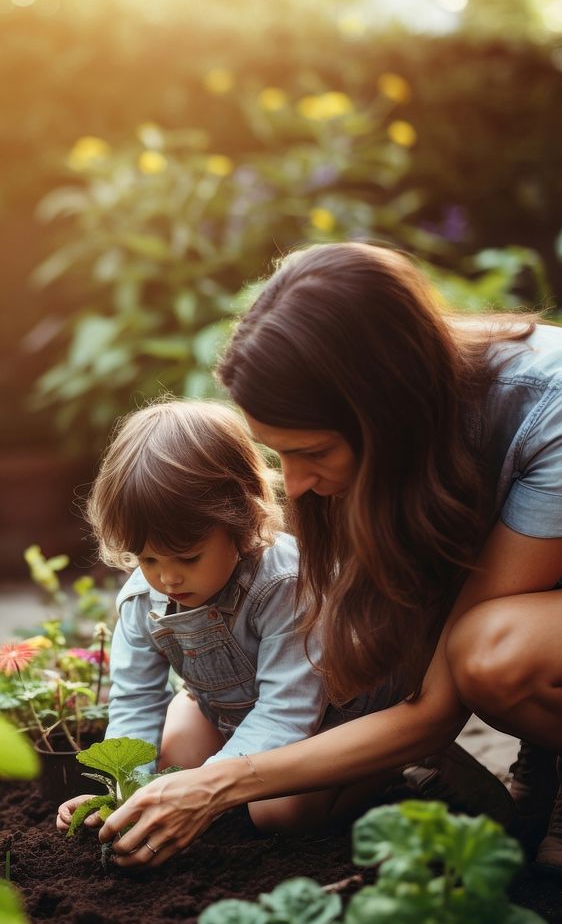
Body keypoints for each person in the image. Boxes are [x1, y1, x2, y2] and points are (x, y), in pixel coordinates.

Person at [95, 243, 562, 872]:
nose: (294, 483)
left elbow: (438, 702)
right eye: (276, 452)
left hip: (533, 628)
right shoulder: (396, 423)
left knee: (493, 654)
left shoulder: (546, 409)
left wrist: (218, 784)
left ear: (383, 413)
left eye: (312, 451)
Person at [56, 397, 392, 838]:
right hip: (231, 710)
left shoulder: (284, 584)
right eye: (148, 558)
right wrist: (125, 793)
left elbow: (286, 714)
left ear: (242, 517)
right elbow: (135, 700)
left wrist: (203, 788)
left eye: (188, 557)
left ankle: (390, 772)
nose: (168, 577)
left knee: (278, 815)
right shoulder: (142, 599)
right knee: (173, 757)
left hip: (327, 716)